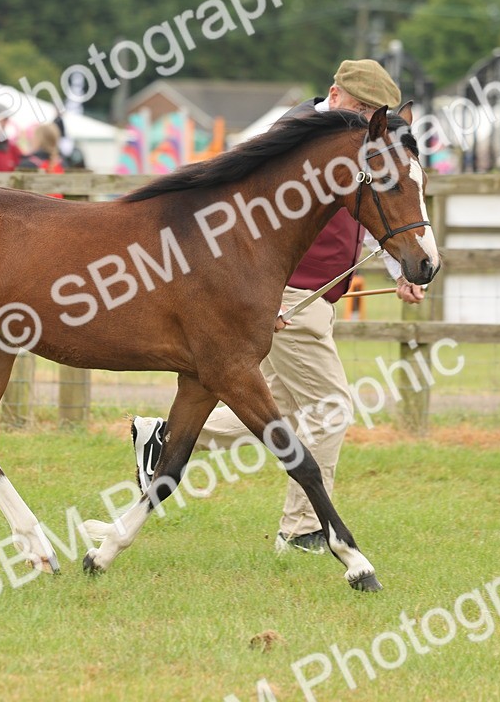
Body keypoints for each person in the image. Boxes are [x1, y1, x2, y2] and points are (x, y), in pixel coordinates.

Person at [131, 59, 427, 555]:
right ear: (334, 95)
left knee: (281, 406)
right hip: (290, 294)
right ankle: (304, 528)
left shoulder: (352, 144)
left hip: (313, 292)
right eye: (358, 111)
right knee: (330, 408)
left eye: (373, 116)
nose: (362, 126)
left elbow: (379, 208)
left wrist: (401, 270)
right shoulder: (293, 138)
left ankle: (163, 437)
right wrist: (259, 300)